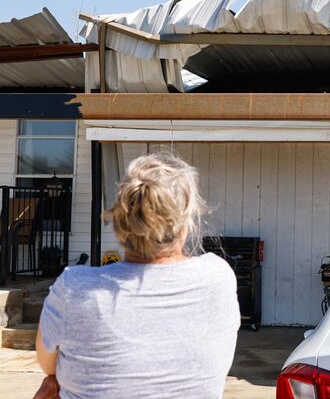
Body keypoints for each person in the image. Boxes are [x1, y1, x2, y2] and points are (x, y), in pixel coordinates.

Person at [35, 152, 240, 399]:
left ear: (120, 225)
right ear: (185, 225)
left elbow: (49, 367)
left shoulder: (74, 288)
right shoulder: (219, 278)